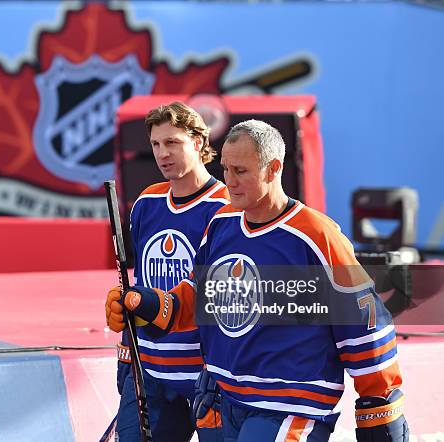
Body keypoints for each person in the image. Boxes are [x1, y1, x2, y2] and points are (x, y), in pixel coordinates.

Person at [106, 120, 409, 441]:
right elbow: (199, 297)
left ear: (273, 168)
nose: (230, 182)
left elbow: (365, 322)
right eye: (225, 169)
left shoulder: (315, 235)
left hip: (291, 405)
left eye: (241, 171)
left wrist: (379, 403)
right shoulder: (222, 224)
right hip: (223, 402)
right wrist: (151, 305)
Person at [112, 102, 229, 441]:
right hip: (149, 369)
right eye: (156, 144)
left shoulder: (225, 208)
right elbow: (136, 286)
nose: (163, 153)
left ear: (197, 142)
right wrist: (126, 355)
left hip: (208, 374)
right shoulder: (146, 202)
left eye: (172, 143)